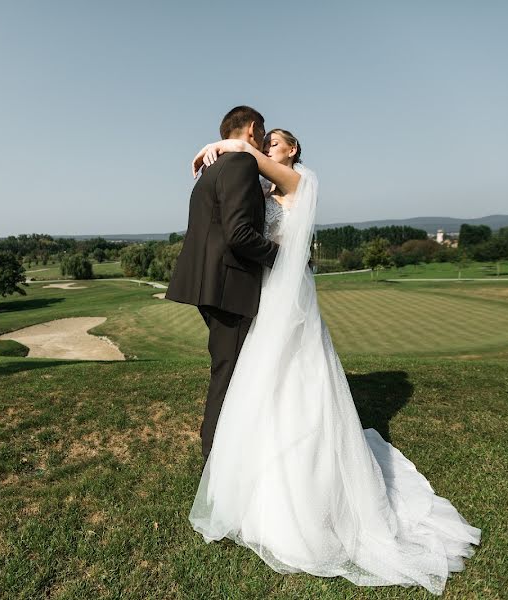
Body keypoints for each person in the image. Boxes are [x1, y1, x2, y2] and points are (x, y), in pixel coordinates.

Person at [182, 128, 482, 596]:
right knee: (266, 378)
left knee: (299, 374)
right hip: (268, 293)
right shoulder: (266, 189)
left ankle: (307, 482)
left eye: (273, 143)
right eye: (263, 143)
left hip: (290, 294)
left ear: (292, 149)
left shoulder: (303, 181)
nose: (266, 150)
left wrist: (228, 145)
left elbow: (251, 162)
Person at [165, 106, 280, 464]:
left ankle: (225, 441)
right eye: (261, 133)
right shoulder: (243, 165)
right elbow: (239, 234)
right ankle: (215, 456)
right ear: (251, 128)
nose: (263, 140)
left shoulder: (211, 168)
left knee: (227, 365)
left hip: (206, 283)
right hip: (228, 285)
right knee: (228, 371)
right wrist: (284, 257)